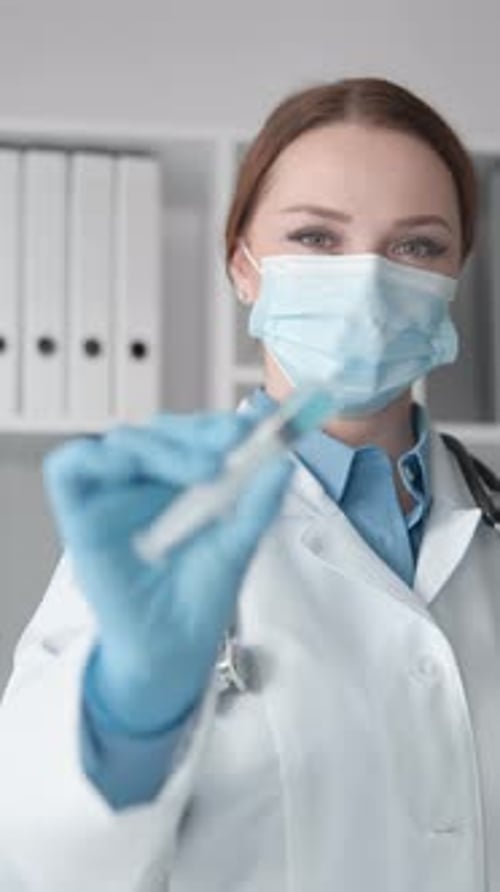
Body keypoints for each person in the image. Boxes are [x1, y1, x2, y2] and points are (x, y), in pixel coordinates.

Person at [0, 77, 498, 892]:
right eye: (317, 238)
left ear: (453, 283)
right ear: (244, 269)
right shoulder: (166, 535)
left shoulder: (482, 527)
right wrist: (130, 712)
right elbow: (37, 859)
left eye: (416, 247)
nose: (368, 282)